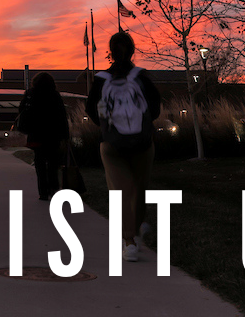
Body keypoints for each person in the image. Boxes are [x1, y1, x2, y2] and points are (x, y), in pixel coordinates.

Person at [87, 31, 161, 262]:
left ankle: (129, 241)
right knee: (138, 189)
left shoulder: (101, 79)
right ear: (132, 51)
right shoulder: (142, 77)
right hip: (142, 144)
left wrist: (108, 125)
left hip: (112, 145)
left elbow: (91, 110)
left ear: (110, 52)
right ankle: (135, 231)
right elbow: (155, 108)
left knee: (122, 191)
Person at [15, 72, 70, 199]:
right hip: (52, 135)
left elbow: (21, 110)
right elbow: (62, 115)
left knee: (39, 162)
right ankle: (53, 187)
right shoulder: (54, 95)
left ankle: (43, 192)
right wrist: (65, 135)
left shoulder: (30, 94)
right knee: (53, 163)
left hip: (36, 134)